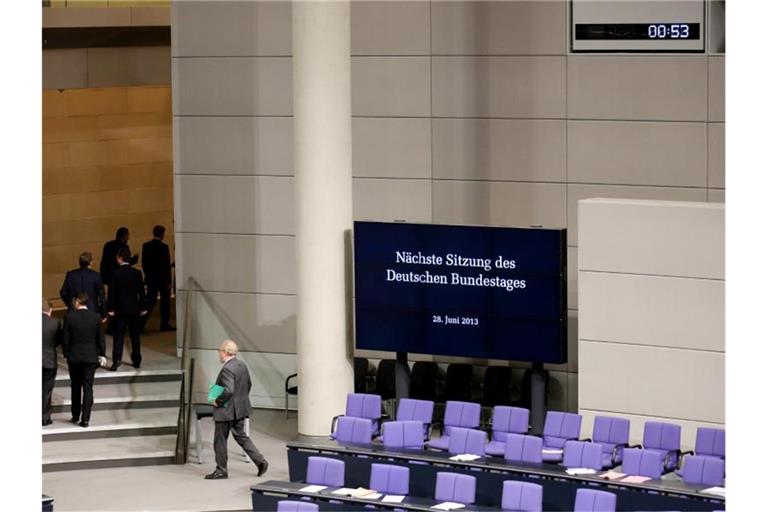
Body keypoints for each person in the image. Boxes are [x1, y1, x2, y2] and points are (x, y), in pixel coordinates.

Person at [205, 340, 269, 480]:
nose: (219, 353)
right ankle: (260, 461)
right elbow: (248, 384)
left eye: (220, 350)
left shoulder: (227, 369)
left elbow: (229, 390)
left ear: (225, 352)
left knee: (220, 441)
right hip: (240, 409)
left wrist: (217, 401)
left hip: (226, 411)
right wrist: (240, 400)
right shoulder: (241, 365)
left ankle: (221, 470)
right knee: (241, 437)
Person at [63, 292, 106, 428]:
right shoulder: (96, 317)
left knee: (75, 386)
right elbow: (101, 338)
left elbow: (65, 339)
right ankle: (85, 419)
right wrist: (102, 354)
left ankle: (75, 415)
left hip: (74, 357)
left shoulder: (69, 317)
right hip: (90, 357)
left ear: (77, 301)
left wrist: (66, 353)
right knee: (88, 388)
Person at [108, 248, 147, 370]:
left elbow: (112, 293)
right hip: (134, 308)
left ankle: (116, 360)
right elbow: (141, 292)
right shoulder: (136, 273)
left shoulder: (115, 273)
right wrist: (143, 307)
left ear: (120, 258)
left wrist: (110, 308)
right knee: (135, 335)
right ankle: (136, 359)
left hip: (120, 309)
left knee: (118, 335)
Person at [141, 225, 174, 331]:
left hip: (151, 278)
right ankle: (164, 324)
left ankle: (141, 323)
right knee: (165, 302)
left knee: (150, 301)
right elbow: (166, 266)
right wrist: (169, 281)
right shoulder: (164, 247)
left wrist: (148, 275)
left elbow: (144, 263)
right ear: (162, 234)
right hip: (163, 279)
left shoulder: (146, 246)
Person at [59, 252, 107, 318]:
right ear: (90, 262)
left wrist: (71, 304)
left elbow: (63, 292)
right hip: (92, 311)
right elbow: (102, 297)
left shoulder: (71, 275)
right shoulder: (96, 276)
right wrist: (104, 314)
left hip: (74, 310)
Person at [43, 300, 63, 426]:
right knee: (46, 390)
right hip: (49, 360)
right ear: (49, 310)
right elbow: (59, 340)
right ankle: (44, 418)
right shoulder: (56, 322)